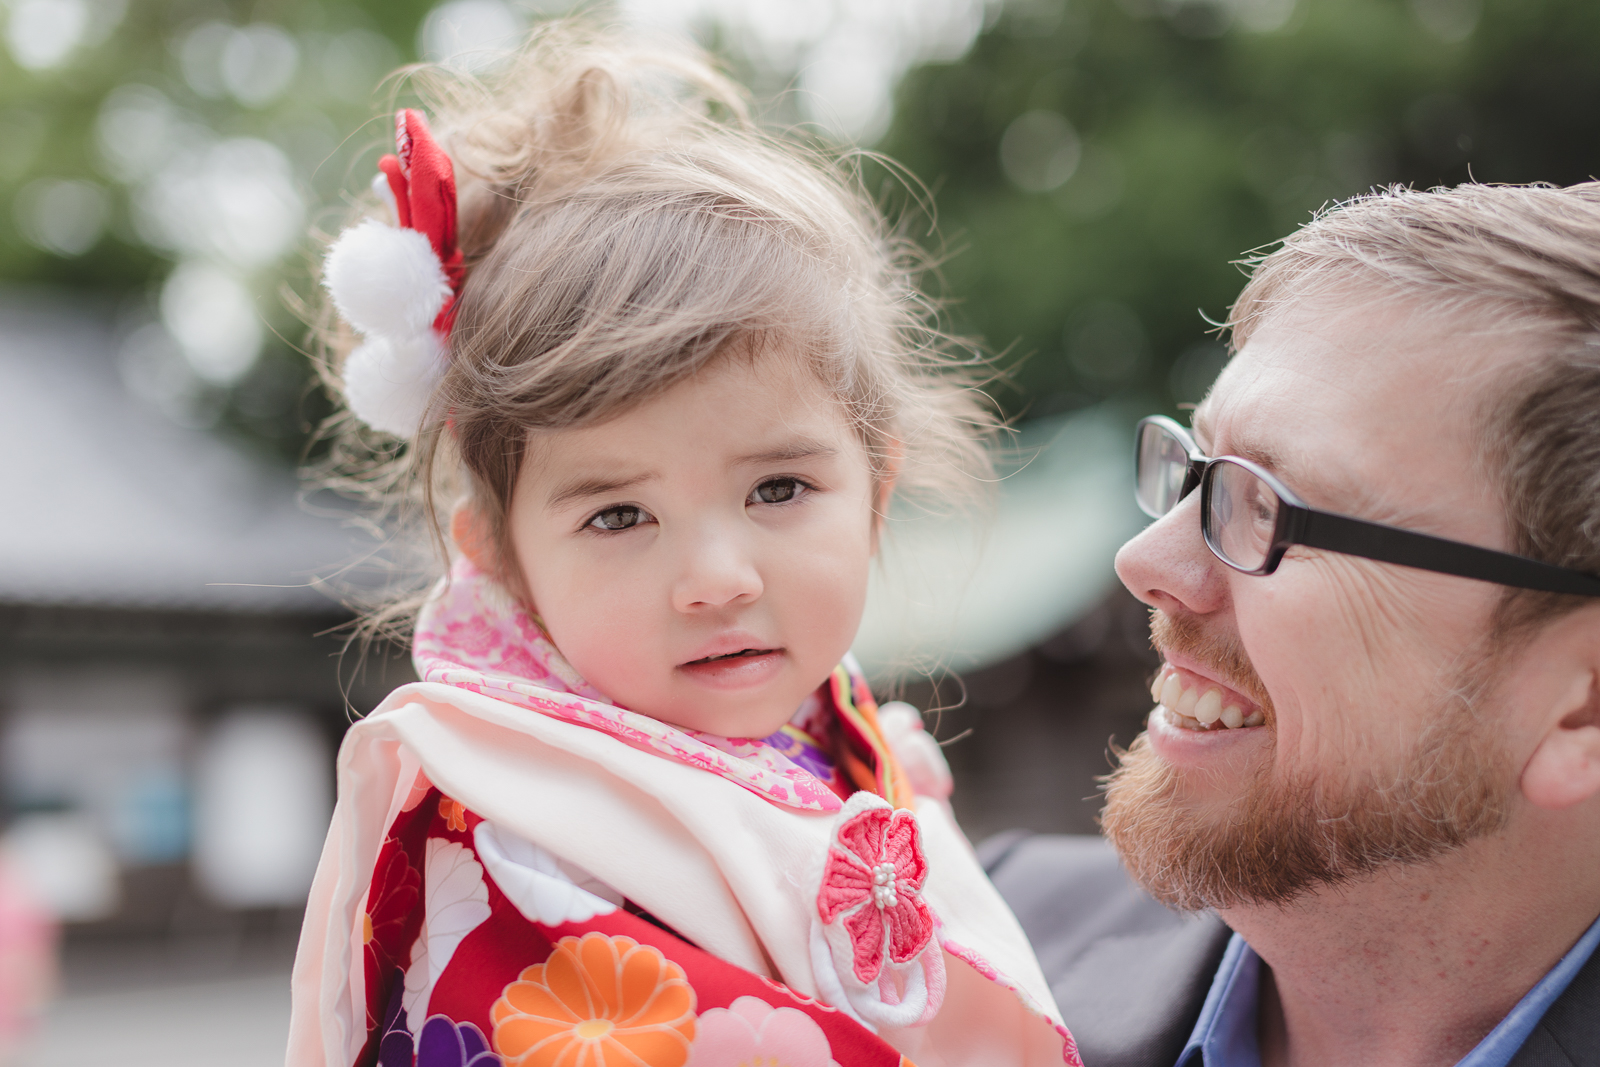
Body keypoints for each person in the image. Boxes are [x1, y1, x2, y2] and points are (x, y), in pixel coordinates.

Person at [287, 25, 1077, 1067]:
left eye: (780, 488)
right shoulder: (506, 833)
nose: (717, 578)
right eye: (618, 514)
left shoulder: (843, 745)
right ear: (504, 563)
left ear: (875, 492)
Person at [989, 181, 1600, 1067]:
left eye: (1268, 505)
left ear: (1581, 706)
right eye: (1197, 470)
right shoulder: (959, 944)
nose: (1145, 562)